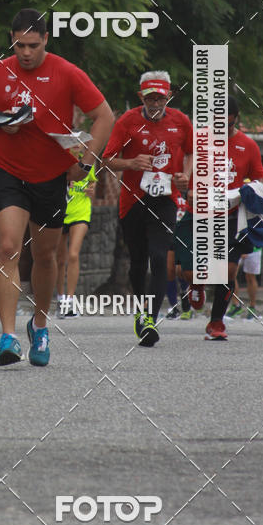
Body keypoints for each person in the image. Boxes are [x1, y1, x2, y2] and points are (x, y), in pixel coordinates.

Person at [0, 9, 114, 367]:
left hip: (51, 176)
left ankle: (39, 324)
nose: (25, 52)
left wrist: (86, 161)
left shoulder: (67, 72)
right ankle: (7, 337)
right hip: (9, 173)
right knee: (7, 248)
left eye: (33, 45)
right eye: (19, 45)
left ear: (46, 40)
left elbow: (105, 116)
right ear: (11, 39)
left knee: (46, 256)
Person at [102, 71, 193, 347]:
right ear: (141, 97)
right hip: (133, 200)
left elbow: (190, 153)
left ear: (169, 97)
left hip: (164, 198)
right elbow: (107, 160)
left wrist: (184, 175)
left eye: (160, 98)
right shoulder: (127, 121)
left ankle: (150, 319)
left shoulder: (181, 121)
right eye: (150, 98)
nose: (155, 103)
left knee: (159, 256)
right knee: (139, 261)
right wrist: (131, 164)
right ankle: (141, 311)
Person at [175, 95, 263, 340]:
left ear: (235, 119)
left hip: (230, 216)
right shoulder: (199, 140)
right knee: (190, 273)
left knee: (227, 271)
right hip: (198, 213)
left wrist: (249, 191)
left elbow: (260, 178)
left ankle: (216, 323)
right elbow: (181, 171)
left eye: (225, 124)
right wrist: (187, 190)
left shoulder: (248, 146)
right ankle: (195, 285)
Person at [56, 145, 97, 319]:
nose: (77, 145)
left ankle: (70, 301)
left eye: (79, 142)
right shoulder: (59, 159)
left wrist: (91, 191)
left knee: (73, 254)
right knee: (59, 259)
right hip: (60, 210)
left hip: (81, 210)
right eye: (72, 141)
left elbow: (92, 183)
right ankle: (60, 297)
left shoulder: (88, 160)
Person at [227, 250, 262, 319]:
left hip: (254, 248)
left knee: (250, 277)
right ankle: (236, 305)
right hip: (237, 247)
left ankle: (252, 307)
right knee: (231, 275)